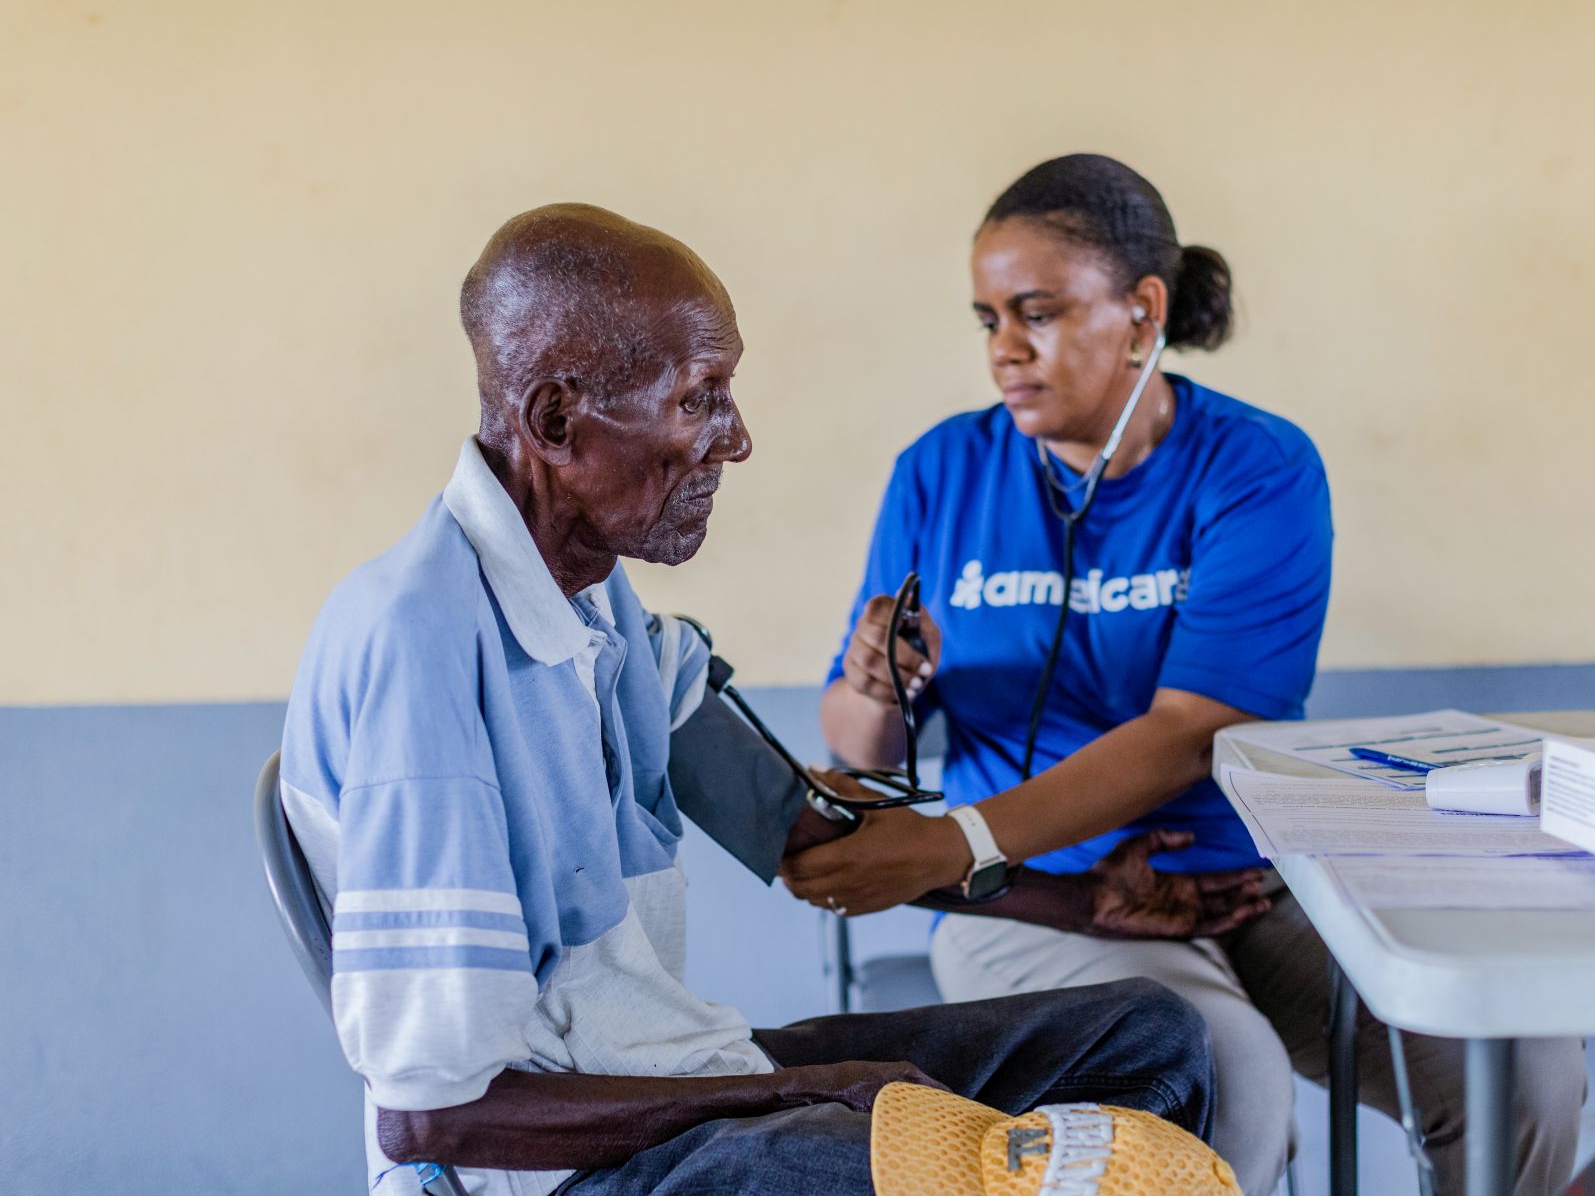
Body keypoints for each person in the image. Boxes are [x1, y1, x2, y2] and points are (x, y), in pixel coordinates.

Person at [278, 202, 1223, 1196]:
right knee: (906, 1161)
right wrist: (802, 1097)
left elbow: (810, 842)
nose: (738, 440)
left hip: (677, 1076)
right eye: (699, 400)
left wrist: (1081, 903)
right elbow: (439, 1113)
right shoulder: (419, 647)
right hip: (545, 1172)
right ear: (557, 420)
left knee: (1149, 1038)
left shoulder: (601, 613)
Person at [793, 155, 1585, 1196]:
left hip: (1251, 887)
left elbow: (1193, 730)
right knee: (1220, 1073)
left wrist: (955, 836)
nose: (1004, 351)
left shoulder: (1257, 468)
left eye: (1036, 313)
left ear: (1141, 311)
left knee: (1522, 1063)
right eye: (986, 318)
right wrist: (874, 685)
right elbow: (861, 750)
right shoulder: (940, 471)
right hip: (1032, 902)